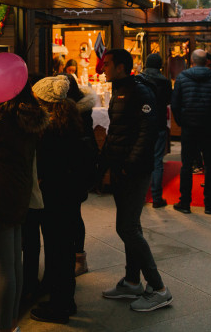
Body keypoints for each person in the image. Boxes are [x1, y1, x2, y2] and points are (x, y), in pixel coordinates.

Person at [0, 79, 49, 332]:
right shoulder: (29, 114)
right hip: (18, 191)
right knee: (13, 262)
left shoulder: (2, 116)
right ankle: (11, 324)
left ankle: (3, 328)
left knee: (2, 266)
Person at [99, 48, 173, 312]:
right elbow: (116, 129)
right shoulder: (119, 90)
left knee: (127, 228)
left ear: (121, 67)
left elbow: (147, 131)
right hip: (121, 168)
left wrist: (130, 164)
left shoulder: (139, 91)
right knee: (130, 226)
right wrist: (106, 161)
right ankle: (132, 281)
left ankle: (159, 288)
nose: (103, 68)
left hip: (134, 170)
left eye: (107, 64)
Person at [29, 76, 85, 324]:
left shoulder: (50, 129)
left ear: (44, 101)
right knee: (63, 248)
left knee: (57, 249)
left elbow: (48, 167)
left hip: (55, 195)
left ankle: (60, 305)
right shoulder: (71, 120)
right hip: (70, 195)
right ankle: (64, 299)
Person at [171, 48, 211, 215]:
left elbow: (175, 104)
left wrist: (182, 121)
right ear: (207, 61)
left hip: (189, 126)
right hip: (208, 127)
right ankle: (209, 203)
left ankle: (185, 202)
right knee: (210, 165)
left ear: (192, 61)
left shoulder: (182, 78)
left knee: (186, 165)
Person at [63, 74, 97, 276]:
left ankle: (78, 258)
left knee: (74, 216)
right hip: (78, 169)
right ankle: (76, 256)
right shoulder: (78, 109)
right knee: (74, 215)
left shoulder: (77, 112)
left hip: (74, 170)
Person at [139, 52, 172, 209]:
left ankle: (140, 196)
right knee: (157, 160)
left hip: (141, 124)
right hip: (158, 123)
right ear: (160, 65)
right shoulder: (165, 82)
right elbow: (168, 101)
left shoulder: (139, 79)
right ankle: (156, 197)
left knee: (141, 158)